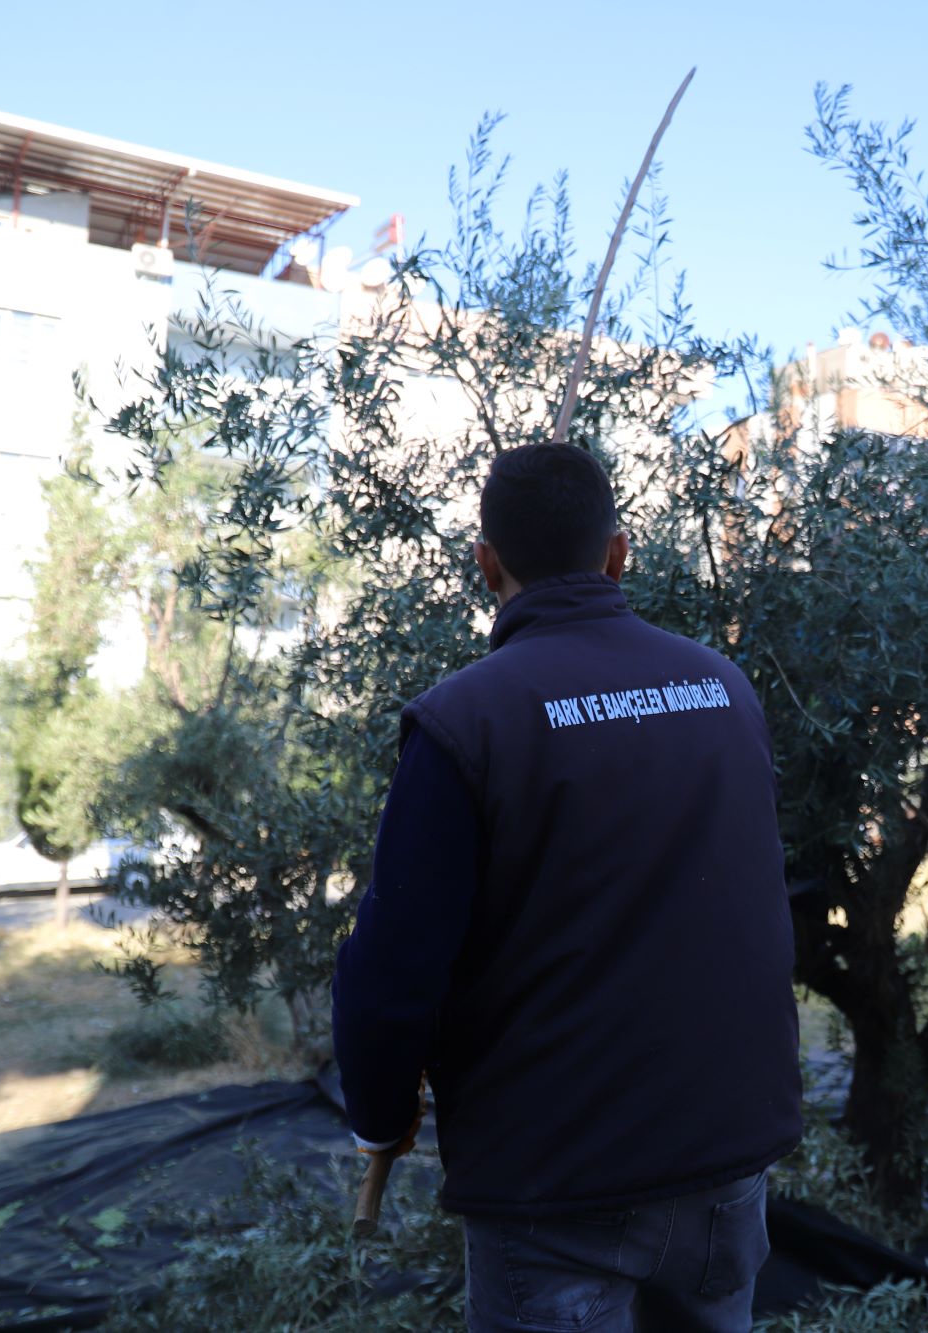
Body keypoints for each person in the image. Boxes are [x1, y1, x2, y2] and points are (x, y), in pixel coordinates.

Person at [332, 443, 802, 1333]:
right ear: (618, 554)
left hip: (557, 1184)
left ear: (486, 565)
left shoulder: (464, 719)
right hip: (726, 1157)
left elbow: (394, 968)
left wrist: (379, 1113)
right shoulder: (726, 689)